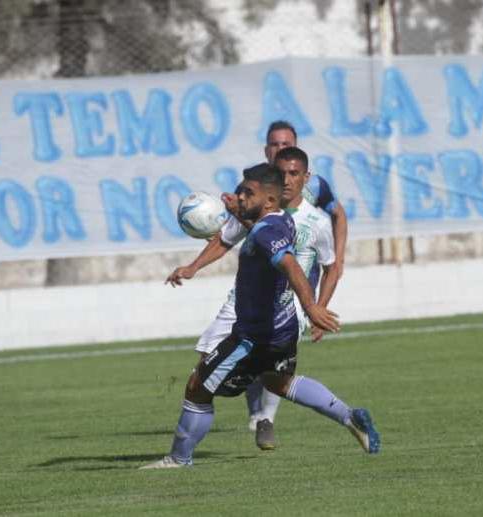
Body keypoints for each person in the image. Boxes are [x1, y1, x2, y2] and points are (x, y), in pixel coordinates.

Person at [140, 163, 379, 469]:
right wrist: (234, 218)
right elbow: (250, 234)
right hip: (282, 328)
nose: (239, 195)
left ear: (268, 200)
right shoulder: (277, 220)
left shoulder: (268, 231)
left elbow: (290, 265)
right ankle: (350, 416)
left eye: (247, 192)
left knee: (197, 386)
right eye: (241, 189)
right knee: (278, 382)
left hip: (254, 336)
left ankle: (179, 458)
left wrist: (313, 307)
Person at [167, 146, 340, 450]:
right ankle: (345, 415)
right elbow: (230, 237)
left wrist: (315, 307)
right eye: (280, 168)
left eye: (293, 172)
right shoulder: (260, 209)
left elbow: (312, 262)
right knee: (261, 376)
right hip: (244, 302)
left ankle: (260, 421)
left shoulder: (313, 217)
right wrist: (194, 266)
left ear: (305, 176)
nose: (287, 178)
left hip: (283, 308)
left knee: (206, 382)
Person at [220, 121, 348, 444]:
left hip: (294, 291)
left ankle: (266, 418)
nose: (280, 150)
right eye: (274, 145)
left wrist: (324, 290)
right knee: (250, 355)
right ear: (267, 152)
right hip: (254, 288)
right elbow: (233, 231)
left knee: (272, 356)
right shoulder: (256, 189)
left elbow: (337, 218)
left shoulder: (315, 188)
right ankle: (257, 413)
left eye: (286, 144)